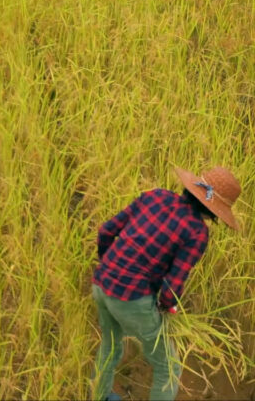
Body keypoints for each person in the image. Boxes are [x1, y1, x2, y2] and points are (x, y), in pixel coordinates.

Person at [91, 166, 241, 401]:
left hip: (101, 282)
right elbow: (173, 284)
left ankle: (99, 397)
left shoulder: (156, 196)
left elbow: (106, 230)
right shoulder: (196, 232)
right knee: (168, 368)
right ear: (214, 211)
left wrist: (109, 265)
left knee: (110, 346)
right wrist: (166, 306)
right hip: (131, 297)